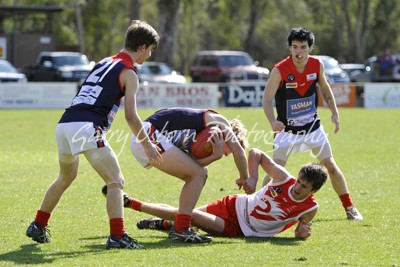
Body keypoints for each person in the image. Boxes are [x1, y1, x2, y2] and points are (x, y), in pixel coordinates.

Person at [25, 20, 162, 249]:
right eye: (149, 50)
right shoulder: (129, 73)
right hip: (86, 128)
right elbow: (131, 116)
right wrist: (147, 145)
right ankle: (118, 237)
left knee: (65, 177)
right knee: (116, 181)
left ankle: (38, 224)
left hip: (65, 124)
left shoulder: (102, 63)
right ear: (142, 47)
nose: (148, 56)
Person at [103, 148, 327, 239]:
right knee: (185, 215)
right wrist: (253, 177)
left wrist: (302, 234)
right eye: (299, 181)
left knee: (187, 215)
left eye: (304, 187)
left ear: (313, 191)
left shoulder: (310, 208)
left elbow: (300, 231)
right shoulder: (283, 178)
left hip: (238, 228)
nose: (297, 187)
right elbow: (256, 153)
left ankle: (130, 202)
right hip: (232, 204)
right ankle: (162, 224)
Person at [261, 27, 363, 220]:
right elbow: (266, 99)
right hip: (287, 131)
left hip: (312, 128)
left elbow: (325, 88)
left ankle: (350, 208)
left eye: (303, 47)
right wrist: (272, 121)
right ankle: (255, 204)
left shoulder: (317, 65)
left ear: (310, 48)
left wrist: (334, 112)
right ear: (290, 48)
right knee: (275, 171)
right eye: (294, 47)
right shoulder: (279, 70)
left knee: (331, 166)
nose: (298, 52)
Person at [128, 107, 250, 243]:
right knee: (198, 175)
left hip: (147, 137)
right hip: (148, 136)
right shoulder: (220, 122)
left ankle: (181, 226)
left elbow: (193, 164)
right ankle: (181, 228)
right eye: (230, 149)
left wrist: (215, 156)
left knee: (199, 173)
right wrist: (244, 178)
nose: (228, 154)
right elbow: (239, 153)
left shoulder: (199, 131)